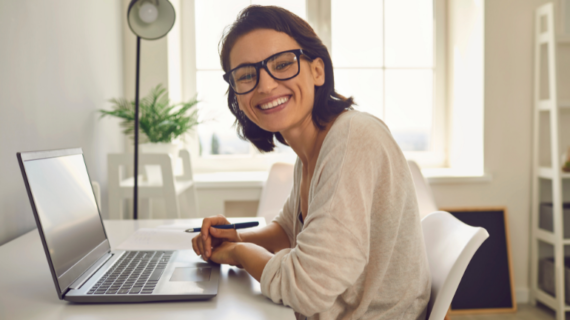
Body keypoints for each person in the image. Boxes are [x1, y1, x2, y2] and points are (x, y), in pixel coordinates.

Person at [192, 5, 431, 320]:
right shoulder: (310, 153)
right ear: (237, 94)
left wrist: (238, 253)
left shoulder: (351, 138)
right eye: (247, 75)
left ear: (317, 70)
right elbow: (289, 233)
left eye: (282, 64)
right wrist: (235, 236)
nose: (265, 85)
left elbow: (307, 287)